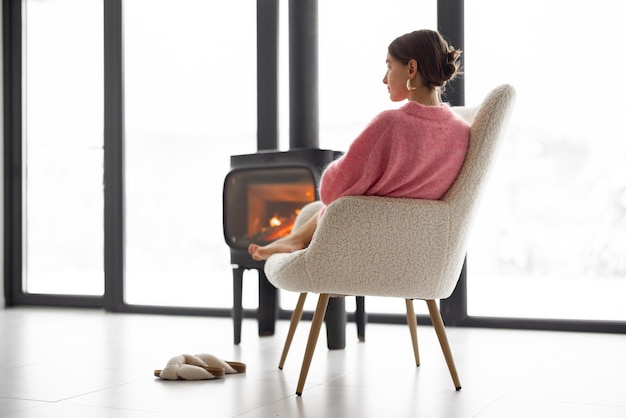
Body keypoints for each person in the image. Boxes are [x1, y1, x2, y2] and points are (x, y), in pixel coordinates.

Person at [248, 29, 470, 261]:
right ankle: (298, 238)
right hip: (421, 251)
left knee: (338, 199)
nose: (384, 78)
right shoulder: (461, 132)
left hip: (366, 241)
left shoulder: (391, 124)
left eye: (389, 66)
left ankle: (297, 239)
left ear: (411, 69)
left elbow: (330, 190)